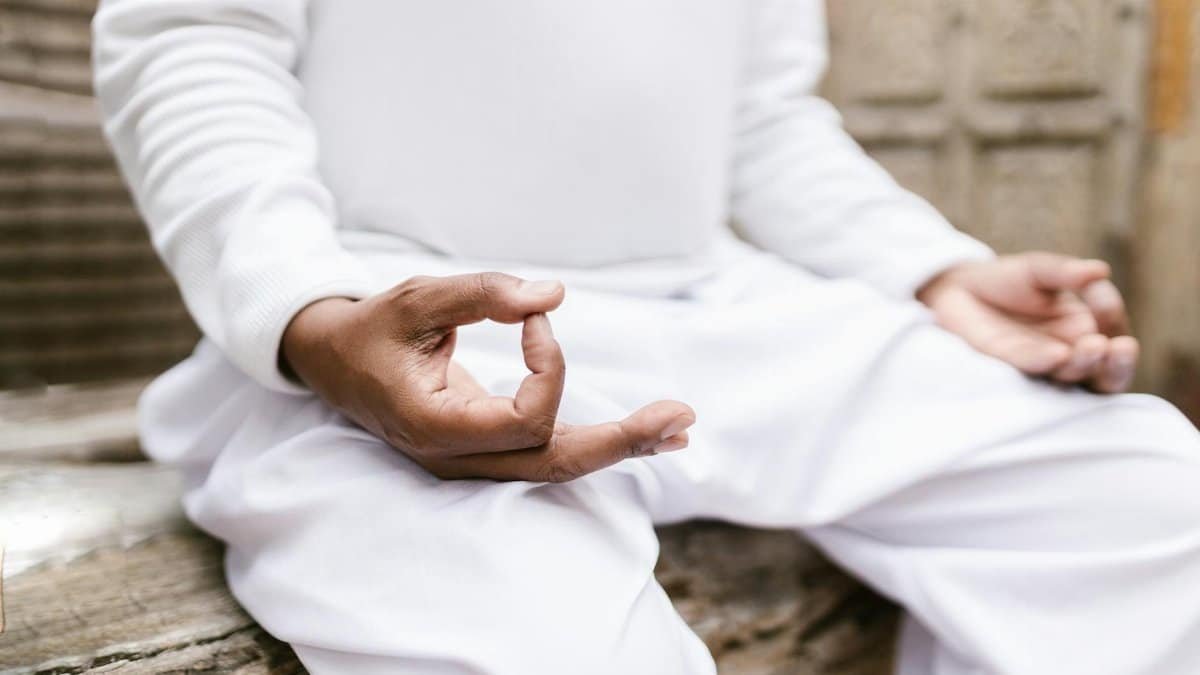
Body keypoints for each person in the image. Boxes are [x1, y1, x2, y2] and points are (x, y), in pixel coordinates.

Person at [92, 1, 1200, 673]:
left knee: (1154, 509)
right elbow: (195, 41)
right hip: (394, 316)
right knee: (540, 651)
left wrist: (935, 269)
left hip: (729, 307)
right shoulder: (342, 314)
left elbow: (763, 123)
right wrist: (304, 311)